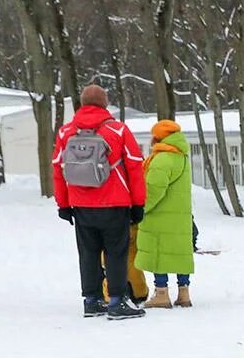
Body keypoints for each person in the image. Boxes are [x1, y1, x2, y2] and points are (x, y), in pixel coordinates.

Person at [54, 84, 148, 320]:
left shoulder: (66, 132)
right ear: (105, 104)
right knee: (116, 252)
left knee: (88, 252)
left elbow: (58, 168)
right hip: (114, 202)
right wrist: (138, 203)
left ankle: (92, 300)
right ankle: (117, 301)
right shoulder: (117, 130)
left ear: (82, 103)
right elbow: (135, 166)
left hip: (80, 205)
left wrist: (63, 204)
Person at [137, 120, 195, 309]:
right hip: (179, 216)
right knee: (179, 253)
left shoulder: (162, 159)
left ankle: (161, 293)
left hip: (159, 216)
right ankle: (183, 292)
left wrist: (140, 208)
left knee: (159, 253)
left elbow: (153, 190)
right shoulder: (182, 157)